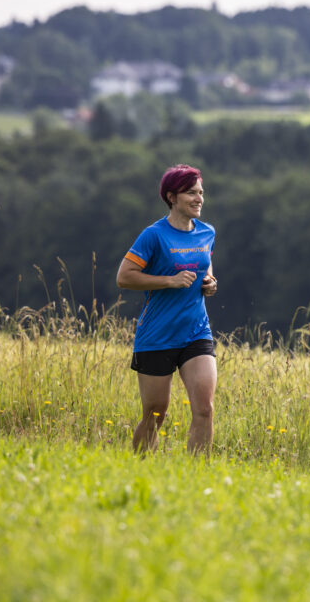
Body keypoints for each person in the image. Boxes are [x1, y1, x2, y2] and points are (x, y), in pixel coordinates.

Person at [116, 164, 219, 455]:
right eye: (191, 193)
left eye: (201, 192)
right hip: (157, 335)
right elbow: (124, 277)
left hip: (196, 332)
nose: (199, 199)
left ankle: (197, 479)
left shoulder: (207, 232)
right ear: (172, 197)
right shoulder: (153, 235)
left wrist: (209, 281)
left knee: (204, 408)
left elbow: (203, 264)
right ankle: (141, 470)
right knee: (155, 414)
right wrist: (169, 281)